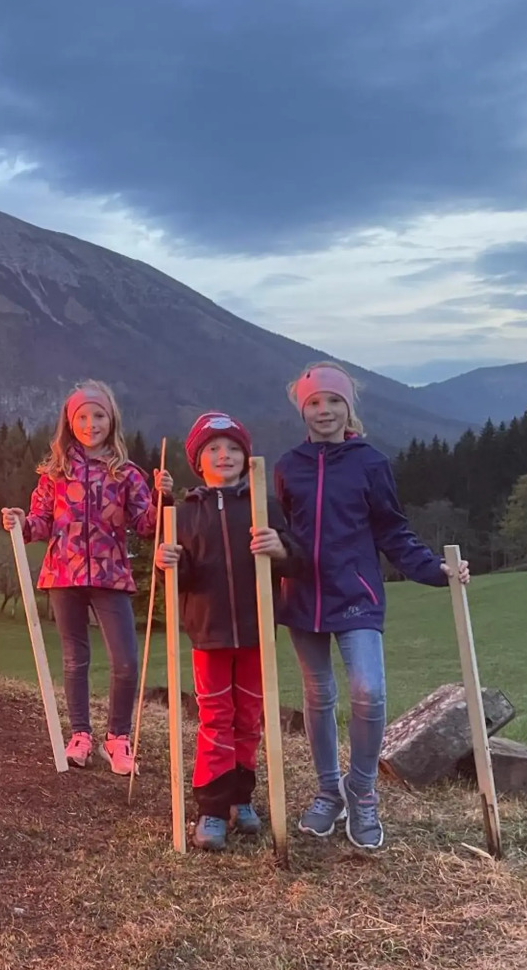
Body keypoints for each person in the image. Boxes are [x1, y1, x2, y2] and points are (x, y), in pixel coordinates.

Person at [274, 362, 470, 850]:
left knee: (369, 691)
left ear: (348, 408)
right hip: (302, 598)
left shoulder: (370, 463)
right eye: (314, 402)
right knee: (317, 697)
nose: (324, 410)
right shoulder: (287, 467)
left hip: (357, 595)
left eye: (333, 401)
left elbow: (392, 531)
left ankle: (360, 791)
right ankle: (327, 791)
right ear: (303, 409)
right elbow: (284, 535)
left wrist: (433, 571)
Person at [1, 380, 172, 774]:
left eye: (99, 415)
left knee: (126, 661)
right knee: (76, 659)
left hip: (111, 575)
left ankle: (118, 739)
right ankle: (80, 735)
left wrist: (164, 499)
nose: (91, 423)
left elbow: (147, 525)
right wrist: (20, 524)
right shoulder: (55, 472)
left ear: (111, 420)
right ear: (69, 421)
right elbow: (41, 522)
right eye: (82, 416)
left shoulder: (126, 474)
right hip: (64, 573)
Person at [155, 412, 302, 850]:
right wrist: (171, 564)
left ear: (246, 456)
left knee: (249, 719)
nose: (225, 456)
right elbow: (184, 580)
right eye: (214, 449)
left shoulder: (263, 505)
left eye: (234, 448)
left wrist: (281, 549)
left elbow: (295, 557)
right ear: (199, 461)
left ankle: (242, 799)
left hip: (258, 632)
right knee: (216, 719)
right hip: (210, 634)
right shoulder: (184, 513)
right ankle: (212, 809)